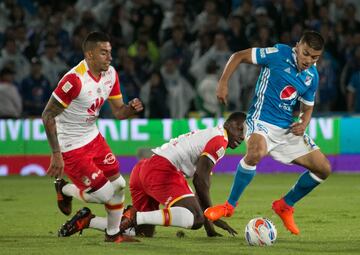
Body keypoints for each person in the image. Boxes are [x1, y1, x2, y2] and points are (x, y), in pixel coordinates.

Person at [204, 31, 332, 235]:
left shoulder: (312, 76)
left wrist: (303, 124)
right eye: (306, 53)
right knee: (255, 153)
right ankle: (229, 206)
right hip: (259, 121)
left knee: (323, 168)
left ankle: (285, 205)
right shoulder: (278, 53)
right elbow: (238, 56)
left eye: (315, 57)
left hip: (286, 128)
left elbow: (307, 107)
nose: (309, 60)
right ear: (297, 46)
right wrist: (223, 82)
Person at [57, 112, 247, 238]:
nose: (241, 136)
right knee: (194, 217)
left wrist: (210, 228)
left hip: (143, 170)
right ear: (228, 124)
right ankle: (134, 216)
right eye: (239, 129)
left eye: (245, 133)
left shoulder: (211, 136)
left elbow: (202, 182)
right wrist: (208, 216)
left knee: (142, 233)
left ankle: (88, 220)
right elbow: (200, 180)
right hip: (162, 171)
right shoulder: (219, 141)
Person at [41, 31, 143, 243]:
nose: (110, 57)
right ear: (89, 55)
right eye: (104, 53)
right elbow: (48, 114)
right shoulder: (75, 80)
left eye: (110, 52)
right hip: (71, 145)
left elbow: (118, 113)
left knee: (119, 185)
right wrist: (56, 153)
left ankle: (113, 234)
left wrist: (131, 109)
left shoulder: (110, 74)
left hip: (93, 138)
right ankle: (65, 189)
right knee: (105, 194)